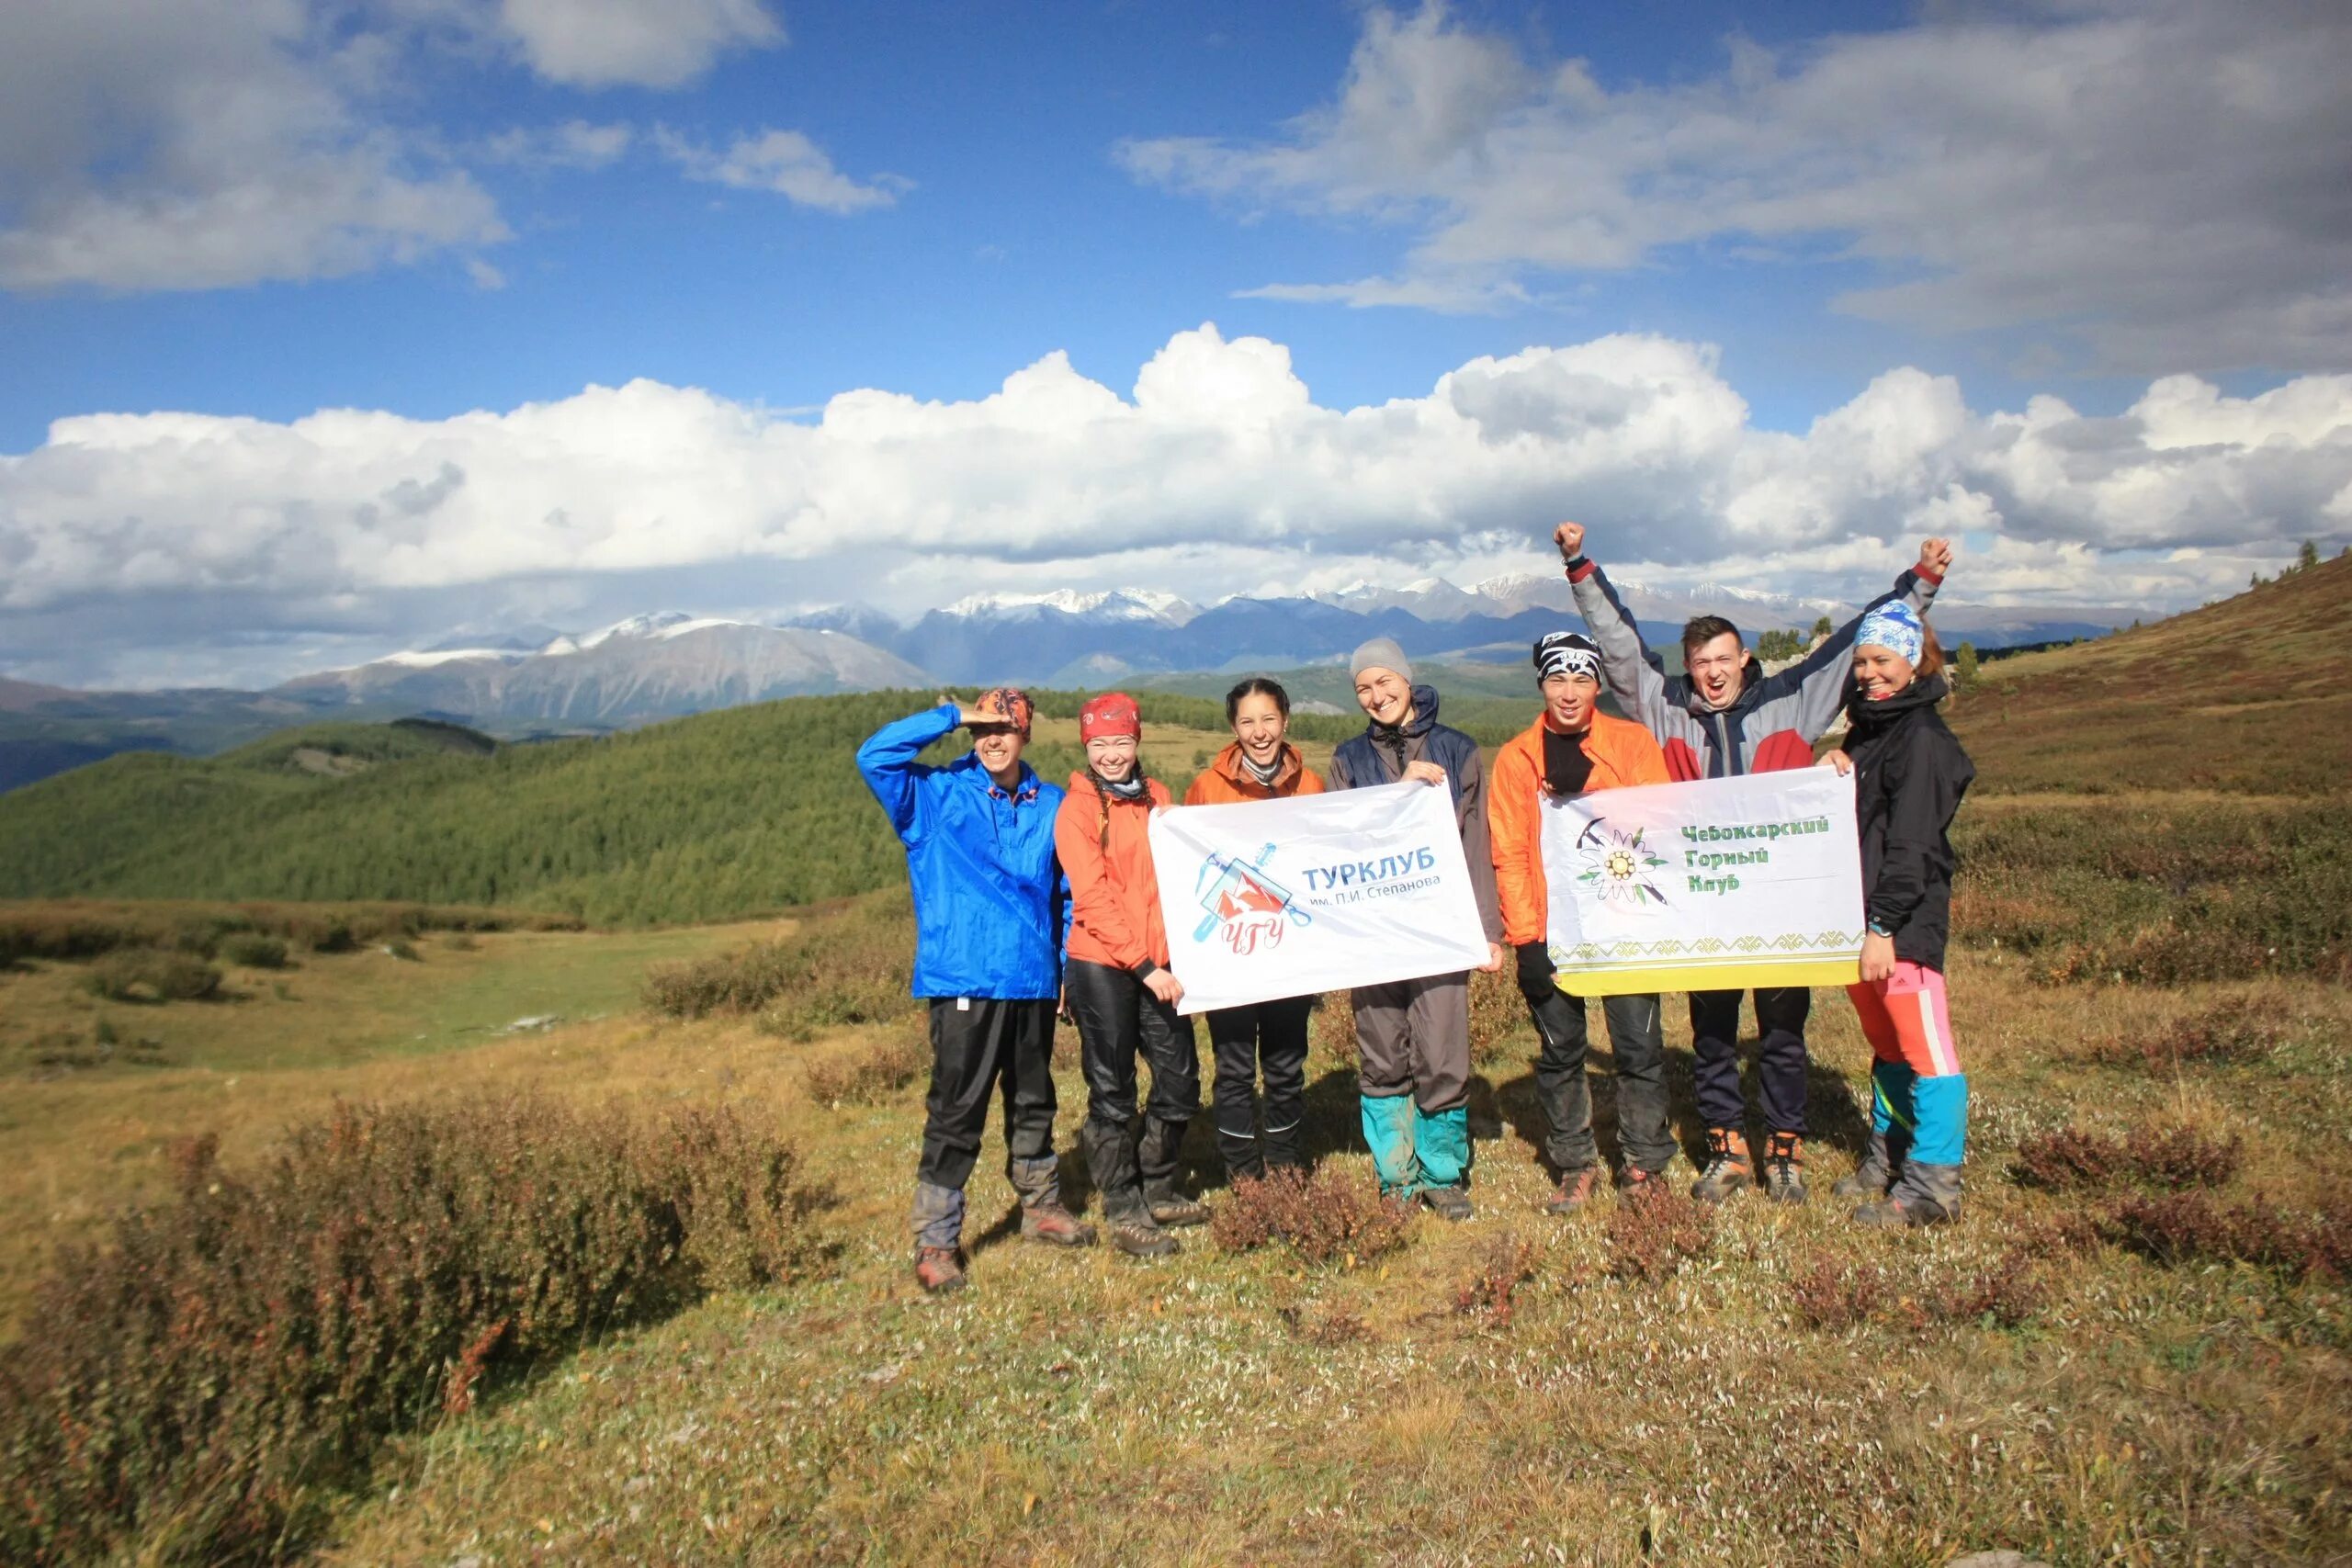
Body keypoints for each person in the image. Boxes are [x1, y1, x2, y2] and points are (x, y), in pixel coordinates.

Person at [1554, 519, 1954, 1207]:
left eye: (1724, 659)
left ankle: (1785, 1151)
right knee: (1711, 1032)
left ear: (1744, 660)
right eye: (1700, 661)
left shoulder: (1792, 700)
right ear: (1690, 666)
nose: (1712, 672)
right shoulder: (1666, 708)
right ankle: (1725, 1147)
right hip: (1703, 907)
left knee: (1782, 1032)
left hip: (1782, 905)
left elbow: (1856, 645)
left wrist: (1918, 587)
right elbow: (1620, 648)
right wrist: (1579, 566)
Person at [856, 688, 1095, 1294]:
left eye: (1006, 728)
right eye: (983, 728)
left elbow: (1067, 894)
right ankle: (937, 1239)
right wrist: (952, 715)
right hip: (964, 976)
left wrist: (1065, 969)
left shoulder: (1054, 805)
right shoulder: (932, 796)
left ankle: (1040, 1207)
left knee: (1035, 1099)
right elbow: (874, 756)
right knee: (958, 1110)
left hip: (1034, 980)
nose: (993, 739)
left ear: (1027, 735)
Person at [1487, 632, 1676, 1212]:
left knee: (1638, 1047)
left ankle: (1644, 1161)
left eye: (1582, 679)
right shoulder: (1517, 757)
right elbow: (1510, 851)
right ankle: (1574, 1162)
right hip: (1549, 928)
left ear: (1597, 684)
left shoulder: (1632, 742)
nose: (1569, 693)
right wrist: (1526, 939)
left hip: (1623, 923)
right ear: (1541, 683)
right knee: (1560, 1051)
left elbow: (1659, 825)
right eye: (1557, 679)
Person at [1328, 637, 1506, 1220]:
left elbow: (1475, 842)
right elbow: (1340, 838)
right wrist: (1401, 785)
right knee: (1381, 1050)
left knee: (1442, 1048)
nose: (1377, 696)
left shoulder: (1457, 750)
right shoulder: (1348, 758)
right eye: (1363, 688)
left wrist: (1488, 930)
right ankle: (1396, 1175)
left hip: (1441, 927)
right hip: (1375, 932)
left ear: (1407, 680)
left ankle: (1443, 1173)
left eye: (1385, 682)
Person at [1819, 603, 1974, 1226]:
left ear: (1915, 660)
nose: (1870, 673)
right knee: (1887, 1045)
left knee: (1926, 1049)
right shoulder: (1872, 729)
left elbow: (1911, 844)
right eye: (1861, 662)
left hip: (1901, 925)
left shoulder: (1926, 741)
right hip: (1862, 920)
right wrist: (1838, 767)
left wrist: (1883, 927)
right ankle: (1888, 1156)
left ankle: (1932, 1188)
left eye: (1882, 660)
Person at [1057, 692, 1208, 1258]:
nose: (1112, 755)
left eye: (1121, 741)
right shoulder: (1076, 811)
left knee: (1180, 1080)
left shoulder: (1159, 799)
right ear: (1086, 746)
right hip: (1102, 965)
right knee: (1113, 1090)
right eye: (1100, 744)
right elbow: (1092, 900)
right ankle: (1124, 1208)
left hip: (1159, 963)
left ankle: (1160, 1184)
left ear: (1137, 740)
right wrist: (1144, 966)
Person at [1183, 676, 1328, 1184]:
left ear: (1286, 721)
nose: (1260, 731)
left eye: (1268, 719)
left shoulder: (1311, 784)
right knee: (1236, 1067)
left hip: (1289, 952)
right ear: (1233, 727)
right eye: (1248, 721)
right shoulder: (1207, 787)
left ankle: (1285, 1163)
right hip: (1232, 953)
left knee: (1287, 1064)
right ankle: (1243, 1172)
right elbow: (1189, 868)